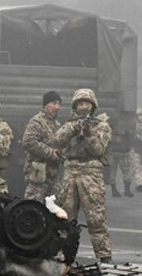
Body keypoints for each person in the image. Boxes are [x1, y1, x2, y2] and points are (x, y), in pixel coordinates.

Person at [54, 88, 112, 263]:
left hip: (91, 172)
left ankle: (104, 257)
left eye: (86, 103)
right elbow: (57, 140)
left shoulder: (102, 126)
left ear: (92, 105)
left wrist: (89, 134)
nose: (83, 106)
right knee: (65, 218)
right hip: (70, 172)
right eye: (80, 103)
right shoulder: (69, 124)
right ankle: (63, 256)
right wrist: (74, 128)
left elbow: (99, 149)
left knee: (96, 218)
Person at [22, 91, 62, 202]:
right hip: (37, 170)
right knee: (34, 204)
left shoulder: (57, 125)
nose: (57, 107)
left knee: (54, 207)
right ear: (45, 105)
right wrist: (51, 153)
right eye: (54, 103)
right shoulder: (37, 122)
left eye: (59, 104)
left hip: (52, 173)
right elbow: (29, 142)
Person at [108, 117, 136, 198]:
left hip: (113, 151)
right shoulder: (127, 124)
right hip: (123, 151)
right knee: (126, 171)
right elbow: (131, 138)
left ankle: (114, 190)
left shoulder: (109, 125)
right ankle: (127, 190)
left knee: (113, 171)